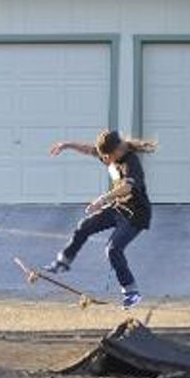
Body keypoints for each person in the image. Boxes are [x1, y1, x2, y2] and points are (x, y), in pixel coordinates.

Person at [44, 129, 156, 309]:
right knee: (85, 226)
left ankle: (131, 292)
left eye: (106, 157)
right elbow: (89, 149)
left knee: (113, 249)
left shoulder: (131, 162)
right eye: (102, 156)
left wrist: (102, 200)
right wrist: (67, 145)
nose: (104, 160)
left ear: (117, 151)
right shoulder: (109, 154)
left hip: (136, 215)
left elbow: (127, 187)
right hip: (119, 208)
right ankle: (64, 261)